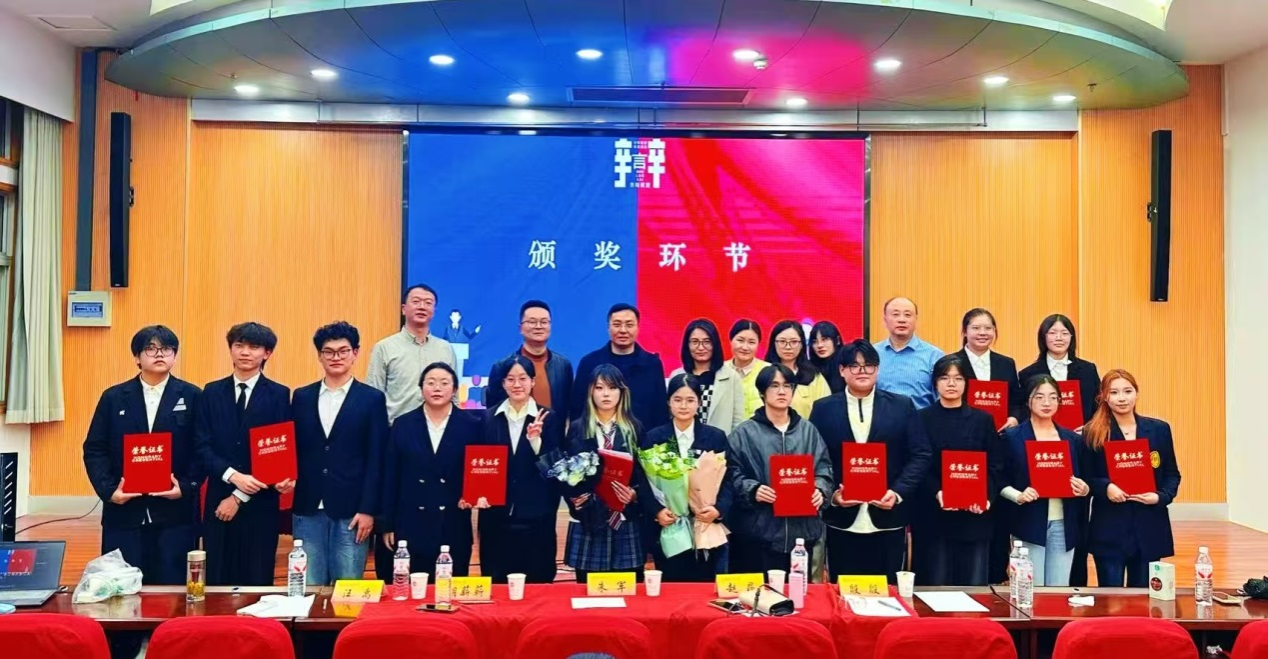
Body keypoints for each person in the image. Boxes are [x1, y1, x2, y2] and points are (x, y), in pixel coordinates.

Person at [82, 325, 202, 585]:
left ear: (174, 356)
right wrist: (109, 491)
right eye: (150, 348)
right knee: (123, 585)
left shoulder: (193, 396)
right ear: (137, 357)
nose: (159, 354)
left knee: (172, 587)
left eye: (166, 349)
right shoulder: (113, 397)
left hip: (175, 511)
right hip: (124, 510)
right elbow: (95, 448)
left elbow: (201, 448)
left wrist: (185, 486)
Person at [809, 339, 932, 581]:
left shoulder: (902, 406)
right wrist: (832, 495)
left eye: (869, 365)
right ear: (842, 370)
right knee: (843, 592)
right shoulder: (823, 409)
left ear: (877, 369)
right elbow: (814, 458)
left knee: (887, 592)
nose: (862, 371)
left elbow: (921, 454)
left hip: (888, 517)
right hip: (841, 519)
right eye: (854, 366)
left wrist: (897, 493)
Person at [290, 321, 389, 585]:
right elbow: (293, 448)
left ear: (355, 353)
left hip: (352, 510)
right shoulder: (301, 397)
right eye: (329, 351)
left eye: (343, 351)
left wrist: (368, 509)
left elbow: (376, 458)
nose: (336, 357)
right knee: (308, 586)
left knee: (347, 587)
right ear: (319, 355)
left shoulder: (372, 399)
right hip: (308, 506)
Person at [195, 322, 292, 586]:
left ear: (267, 353)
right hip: (218, 497)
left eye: (254, 347)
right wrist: (233, 476)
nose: (245, 352)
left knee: (257, 576)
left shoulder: (279, 395)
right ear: (231, 349)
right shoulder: (211, 392)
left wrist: (238, 497)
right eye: (239, 345)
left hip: (260, 501)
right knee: (217, 575)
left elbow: (276, 455)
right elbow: (202, 445)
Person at [1017, 313, 1100, 586]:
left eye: (1064, 333)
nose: (1059, 337)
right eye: (1052, 332)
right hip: (1040, 452)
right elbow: (1023, 411)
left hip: (1077, 447)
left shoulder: (1087, 370)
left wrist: (1088, 428)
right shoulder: (1028, 373)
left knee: (1074, 521)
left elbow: (1098, 409)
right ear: (1043, 338)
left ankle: (1074, 585)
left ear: (1072, 338)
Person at [727, 364, 833, 574]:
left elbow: (824, 468)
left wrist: (820, 490)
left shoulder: (808, 431)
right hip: (758, 535)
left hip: (801, 535)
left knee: (798, 592)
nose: (782, 391)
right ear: (762, 392)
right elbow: (730, 474)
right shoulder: (743, 433)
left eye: (787, 386)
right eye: (774, 386)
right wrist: (752, 489)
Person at [910, 355, 1005, 586]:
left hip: (974, 516)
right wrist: (937, 491)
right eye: (944, 378)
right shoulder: (921, 418)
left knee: (973, 588)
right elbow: (918, 464)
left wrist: (985, 497)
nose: (951, 383)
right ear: (935, 383)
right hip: (934, 514)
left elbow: (996, 465)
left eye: (958, 378)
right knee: (935, 587)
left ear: (966, 383)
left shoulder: (983, 420)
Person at [379, 362, 482, 576]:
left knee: (449, 588)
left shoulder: (472, 425)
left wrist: (474, 495)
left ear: (455, 389)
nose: (437, 388)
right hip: (410, 522)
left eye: (444, 383)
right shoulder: (403, 424)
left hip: (452, 522)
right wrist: (386, 524)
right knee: (409, 588)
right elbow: (390, 477)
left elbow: (479, 472)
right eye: (431, 382)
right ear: (421, 388)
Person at [1082, 370, 1181, 588]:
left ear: (1136, 393)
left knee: (1143, 597)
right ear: (1104, 396)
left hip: (1149, 524)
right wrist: (1106, 487)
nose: (1122, 398)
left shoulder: (1159, 430)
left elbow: (1172, 474)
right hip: (1110, 526)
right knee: (1111, 598)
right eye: (1114, 392)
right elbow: (1086, 477)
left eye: (1127, 391)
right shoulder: (1093, 432)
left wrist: (1160, 496)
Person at [476, 355, 566, 584]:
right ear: (503, 383)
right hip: (496, 516)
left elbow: (555, 468)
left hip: (536, 516)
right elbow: (479, 464)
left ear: (533, 381)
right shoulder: (487, 418)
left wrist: (536, 441)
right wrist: (478, 493)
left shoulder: (549, 418)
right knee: (497, 582)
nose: (517, 384)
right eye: (510, 379)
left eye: (523, 378)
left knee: (538, 582)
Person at [952, 307, 1023, 584]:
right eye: (976, 328)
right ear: (964, 332)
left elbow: (1017, 401)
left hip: (999, 445)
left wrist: (1013, 418)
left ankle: (995, 574)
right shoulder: (953, 363)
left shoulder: (1006, 363)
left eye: (988, 328)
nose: (982, 333)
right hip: (964, 447)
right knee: (966, 508)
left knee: (997, 510)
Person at [1000, 375, 1092, 587]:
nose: (1046, 402)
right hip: (1027, 521)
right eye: (1039, 397)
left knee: (1058, 590)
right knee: (1029, 589)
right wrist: (1018, 495)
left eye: (1053, 397)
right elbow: (999, 478)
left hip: (1064, 524)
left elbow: (1088, 478)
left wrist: (1084, 488)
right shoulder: (1012, 437)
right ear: (1028, 400)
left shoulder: (1072, 439)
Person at [641, 374, 733, 581]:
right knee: (672, 586)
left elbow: (728, 479)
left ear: (699, 402)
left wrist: (718, 510)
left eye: (690, 400)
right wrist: (657, 511)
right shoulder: (654, 438)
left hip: (706, 524)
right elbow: (643, 482)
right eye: (677, 400)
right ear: (668, 402)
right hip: (670, 525)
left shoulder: (715, 437)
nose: (683, 406)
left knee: (706, 586)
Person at [564, 365, 649, 582]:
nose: (606, 394)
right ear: (590, 392)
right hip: (590, 518)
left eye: (612, 388)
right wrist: (574, 498)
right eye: (599, 388)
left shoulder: (634, 428)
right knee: (588, 590)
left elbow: (645, 476)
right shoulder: (577, 428)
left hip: (624, 518)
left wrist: (634, 494)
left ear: (622, 392)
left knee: (629, 588)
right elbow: (567, 472)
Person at [367, 283, 457, 423]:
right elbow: (373, 396)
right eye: (416, 301)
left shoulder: (445, 348)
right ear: (403, 309)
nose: (422, 307)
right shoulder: (384, 347)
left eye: (428, 303)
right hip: (395, 429)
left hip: (438, 429)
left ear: (434, 311)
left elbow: (454, 396)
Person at [570, 304, 668, 430]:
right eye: (617, 324)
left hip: (644, 439)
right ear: (608, 327)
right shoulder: (589, 363)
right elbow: (577, 409)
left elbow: (660, 410)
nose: (623, 330)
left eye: (629, 325)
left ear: (638, 327)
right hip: (598, 438)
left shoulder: (652, 364)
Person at [486, 300, 573, 412]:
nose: (538, 326)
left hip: (554, 424)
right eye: (532, 322)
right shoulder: (501, 367)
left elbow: (569, 407)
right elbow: (492, 411)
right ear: (520, 328)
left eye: (544, 322)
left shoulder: (563, 366)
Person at [668, 319, 745, 434]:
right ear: (687, 345)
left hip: (720, 443)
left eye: (707, 342)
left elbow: (737, 421)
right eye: (695, 342)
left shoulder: (731, 377)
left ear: (715, 344)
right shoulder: (676, 375)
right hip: (683, 441)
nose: (700, 347)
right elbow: (670, 415)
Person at [873, 297, 943, 409]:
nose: (902, 320)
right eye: (895, 314)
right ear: (885, 319)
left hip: (920, 418)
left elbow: (941, 398)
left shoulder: (934, 355)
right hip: (880, 419)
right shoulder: (872, 353)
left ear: (916, 319)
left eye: (907, 315)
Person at [765, 320, 831, 418]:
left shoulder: (814, 377)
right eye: (782, 341)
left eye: (794, 342)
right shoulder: (763, 372)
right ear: (773, 343)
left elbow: (826, 411)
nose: (788, 347)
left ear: (802, 344)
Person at [729, 319, 767, 418]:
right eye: (740, 340)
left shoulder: (769, 370)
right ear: (731, 340)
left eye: (751, 342)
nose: (745, 347)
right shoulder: (719, 370)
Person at [808, 321, 845, 393]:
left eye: (824, 339)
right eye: (815, 341)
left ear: (837, 340)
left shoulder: (847, 364)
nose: (820, 345)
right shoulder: (808, 368)